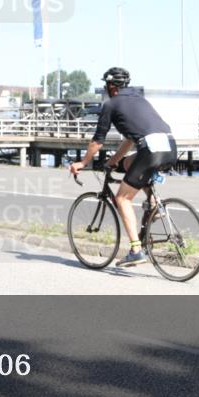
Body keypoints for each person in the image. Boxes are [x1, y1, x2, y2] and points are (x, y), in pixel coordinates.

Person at [69, 67, 177, 267]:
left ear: (111, 86)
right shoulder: (138, 99)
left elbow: (97, 141)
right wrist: (114, 161)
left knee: (121, 198)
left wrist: (83, 163)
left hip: (150, 150)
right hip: (170, 145)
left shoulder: (111, 104)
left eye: (106, 85)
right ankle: (153, 200)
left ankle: (136, 250)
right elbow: (130, 139)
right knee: (128, 163)